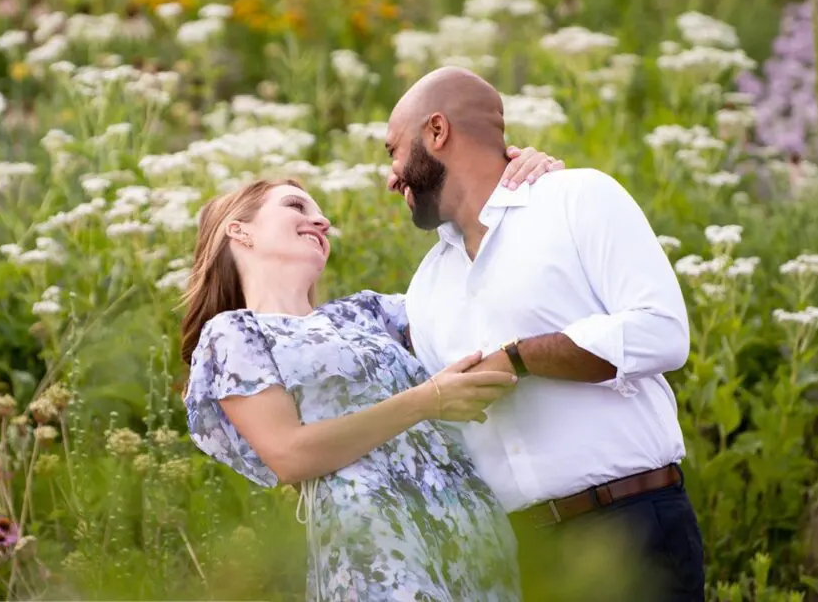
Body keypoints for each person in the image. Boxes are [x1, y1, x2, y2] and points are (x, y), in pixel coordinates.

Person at [178, 144, 563, 601]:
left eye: (322, 215)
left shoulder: (369, 313)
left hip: (471, 532)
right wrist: (426, 402)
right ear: (239, 231)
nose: (322, 222)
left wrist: (524, 186)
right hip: (378, 544)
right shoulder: (235, 334)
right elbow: (289, 455)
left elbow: (483, 300)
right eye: (296, 207)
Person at [383, 66, 704, 601]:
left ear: (436, 132)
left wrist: (518, 358)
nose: (391, 177)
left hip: (630, 527)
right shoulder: (426, 287)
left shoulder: (577, 199)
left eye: (393, 151)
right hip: (519, 558)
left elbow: (662, 333)